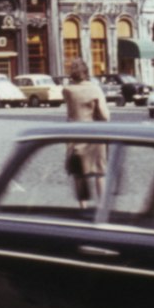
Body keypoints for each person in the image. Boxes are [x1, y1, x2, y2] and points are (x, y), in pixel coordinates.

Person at [62, 59, 110, 208]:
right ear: (86, 72)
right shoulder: (95, 89)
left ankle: (83, 207)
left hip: (75, 135)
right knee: (99, 173)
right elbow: (105, 116)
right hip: (94, 135)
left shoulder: (67, 90)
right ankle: (102, 207)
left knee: (79, 174)